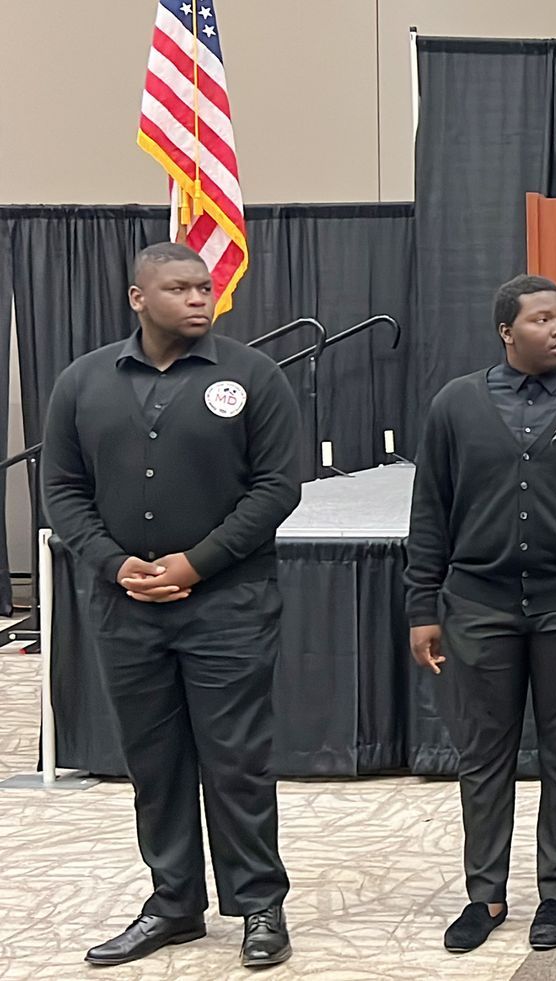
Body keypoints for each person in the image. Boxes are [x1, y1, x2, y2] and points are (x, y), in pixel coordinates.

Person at [42, 242, 301, 968]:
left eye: (205, 286)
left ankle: (258, 904)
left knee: (237, 760)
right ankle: (173, 903)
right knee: (153, 763)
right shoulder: (82, 381)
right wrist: (113, 561)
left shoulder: (253, 376)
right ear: (137, 298)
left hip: (231, 602)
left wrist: (197, 560)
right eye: (181, 288)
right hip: (125, 608)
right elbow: (62, 489)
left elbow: (279, 487)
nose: (200, 298)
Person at [405, 274, 556, 954]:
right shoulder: (456, 404)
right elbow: (428, 514)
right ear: (507, 331)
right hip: (478, 604)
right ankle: (484, 895)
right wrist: (421, 604)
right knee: (483, 753)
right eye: (543, 318)